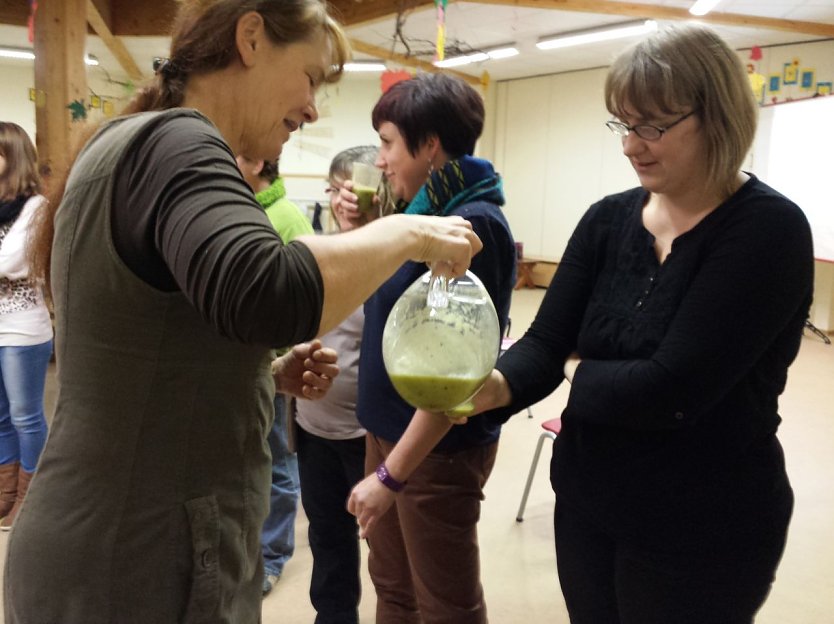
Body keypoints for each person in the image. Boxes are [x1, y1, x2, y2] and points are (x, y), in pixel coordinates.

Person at [4, 1, 482, 622]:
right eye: (310, 77)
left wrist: (252, 374)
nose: (312, 107)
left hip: (104, 543)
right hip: (139, 560)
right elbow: (269, 293)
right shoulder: (180, 140)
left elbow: (144, 352)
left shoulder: (127, 143)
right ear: (251, 39)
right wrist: (411, 235)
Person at [352, 24, 815, 624]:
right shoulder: (607, 220)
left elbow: (673, 391)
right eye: (624, 124)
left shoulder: (767, 231)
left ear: (717, 116)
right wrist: (491, 387)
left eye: (651, 125)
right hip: (590, 502)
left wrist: (575, 371)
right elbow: (546, 342)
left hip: (703, 520)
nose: (630, 145)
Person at [346, 73, 517, 624]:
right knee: (393, 588)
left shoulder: (471, 227)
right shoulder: (420, 219)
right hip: (387, 434)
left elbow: (456, 376)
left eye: (388, 142)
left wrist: (392, 475)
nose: (380, 159)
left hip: (429, 452)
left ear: (430, 145)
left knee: (445, 604)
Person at [293, 145, 393, 623]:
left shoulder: (391, 263)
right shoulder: (317, 254)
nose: (342, 202)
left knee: (390, 556)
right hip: (315, 430)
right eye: (335, 190)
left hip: (368, 438)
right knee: (328, 544)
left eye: (354, 191)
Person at [235, 155, 312, 595]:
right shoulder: (237, 206)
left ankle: (273, 554)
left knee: (279, 464)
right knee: (250, 459)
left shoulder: (286, 216)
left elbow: (305, 296)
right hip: (241, 364)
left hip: (275, 366)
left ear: (258, 162)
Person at [0, 122, 53, 531]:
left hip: (23, 330)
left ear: (12, 157)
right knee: (0, 417)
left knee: (26, 416)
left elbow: (12, 262)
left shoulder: (35, 207)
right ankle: (6, 493)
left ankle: (31, 497)